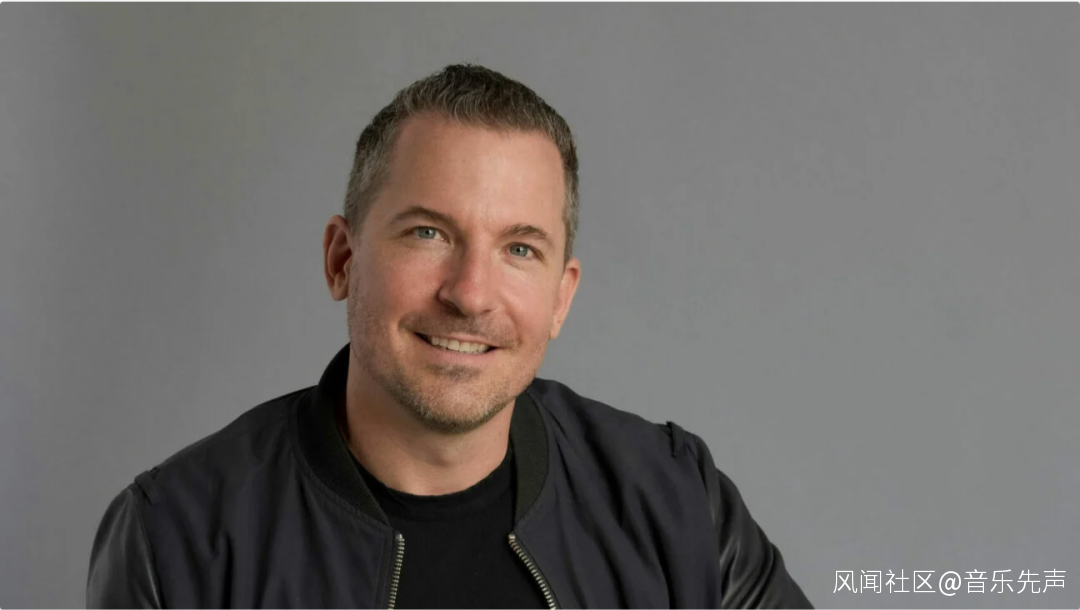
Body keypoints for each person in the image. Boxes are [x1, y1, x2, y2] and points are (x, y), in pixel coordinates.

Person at [86, 64, 811, 609]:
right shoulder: (176, 537)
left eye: (519, 249)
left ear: (561, 298)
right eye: (428, 233)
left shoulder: (676, 499)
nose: (470, 294)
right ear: (342, 260)